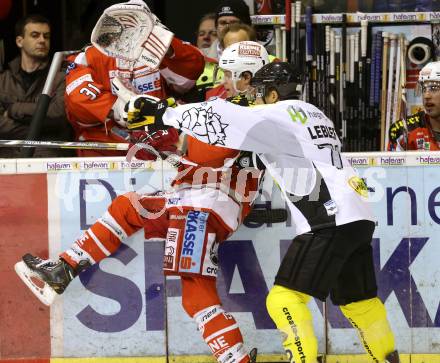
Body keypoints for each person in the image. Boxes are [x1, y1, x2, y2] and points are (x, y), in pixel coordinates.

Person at [122, 62, 401, 363]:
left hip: (327, 220)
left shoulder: (275, 114)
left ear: (271, 94)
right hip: (358, 217)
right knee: (360, 302)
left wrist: (165, 113)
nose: (252, 98)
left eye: (257, 92)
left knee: (284, 300)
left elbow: (221, 118)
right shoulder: (317, 115)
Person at [15, 41, 270, 363]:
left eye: (230, 74)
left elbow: (210, 155)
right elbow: (205, 160)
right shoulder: (238, 106)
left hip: (205, 208)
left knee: (195, 290)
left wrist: (170, 125)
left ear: (248, 76)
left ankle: (235, 358)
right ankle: (64, 268)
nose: (224, 80)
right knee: (129, 207)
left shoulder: (249, 111)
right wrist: (164, 130)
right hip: (198, 200)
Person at [63, 0, 204, 157]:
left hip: (161, 144)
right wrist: (118, 109)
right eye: (125, 26)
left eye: (138, 27)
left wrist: (168, 46)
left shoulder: (165, 50)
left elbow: (189, 78)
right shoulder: (89, 56)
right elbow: (76, 99)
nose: (131, 33)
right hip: (107, 147)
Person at [0, 14, 73, 158]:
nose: (42, 40)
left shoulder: (61, 77)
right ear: (20, 41)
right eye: (35, 35)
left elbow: (59, 117)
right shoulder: (2, 80)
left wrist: (14, 109)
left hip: (48, 158)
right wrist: (39, 131)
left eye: (46, 36)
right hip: (7, 160)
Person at [388, 60, 440, 151]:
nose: (426, 96)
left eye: (434, 88)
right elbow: (391, 164)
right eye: (424, 88)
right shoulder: (404, 130)